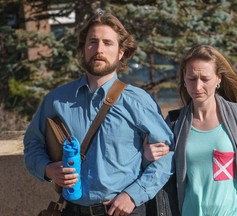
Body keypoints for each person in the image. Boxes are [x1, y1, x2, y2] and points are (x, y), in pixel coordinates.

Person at [23, 10, 174, 216]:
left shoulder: (137, 101)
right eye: (92, 42)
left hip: (122, 211)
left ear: (121, 52)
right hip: (71, 211)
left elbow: (167, 155)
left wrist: (133, 195)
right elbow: (33, 145)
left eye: (108, 43)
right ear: (83, 49)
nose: (99, 49)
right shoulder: (56, 100)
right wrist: (47, 169)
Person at [143, 45, 237, 215]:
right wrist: (147, 158)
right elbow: (158, 174)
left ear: (218, 79)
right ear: (184, 80)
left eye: (205, 79)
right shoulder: (174, 123)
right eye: (192, 79)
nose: (198, 86)